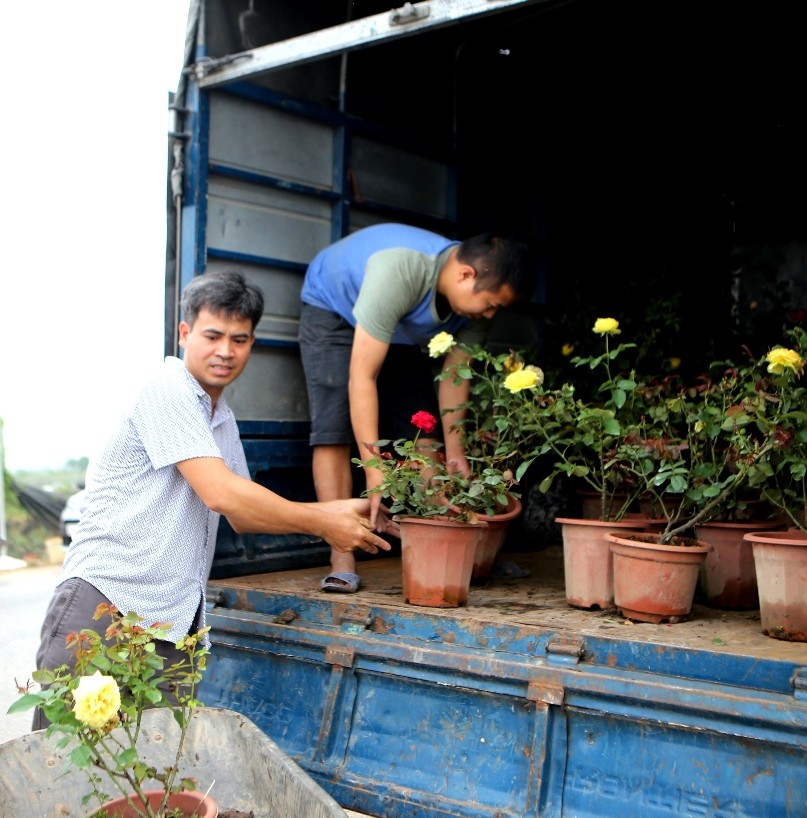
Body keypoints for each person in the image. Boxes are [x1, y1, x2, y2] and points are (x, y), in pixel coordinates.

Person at [32, 269, 394, 729]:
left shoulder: (220, 418)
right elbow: (223, 494)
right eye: (213, 335)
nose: (226, 351)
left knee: (150, 785)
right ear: (184, 333)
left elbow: (246, 513)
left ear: (252, 344)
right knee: (64, 776)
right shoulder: (167, 390)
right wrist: (325, 524)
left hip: (169, 627)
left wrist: (348, 510)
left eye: (240, 339)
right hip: (106, 608)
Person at [299, 222, 535, 593]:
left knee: (423, 427)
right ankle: (341, 552)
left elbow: (455, 379)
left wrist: (456, 453)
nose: (491, 315)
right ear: (465, 274)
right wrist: (374, 470)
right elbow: (363, 377)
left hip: (399, 325)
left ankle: (446, 542)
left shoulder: (471, 309)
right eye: (490, 305)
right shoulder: (401, 271)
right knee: (335, 427)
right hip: (334, 308)